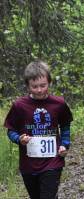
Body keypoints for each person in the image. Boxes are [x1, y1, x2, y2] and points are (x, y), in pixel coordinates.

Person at [4, 60, 73, 199]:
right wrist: (19, 139)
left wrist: (65, 144)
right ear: (28, 86)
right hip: (28, 165)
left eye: (43, 85)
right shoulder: (19, 105)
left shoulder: (58, 104)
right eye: (34, 86)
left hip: (53, 162)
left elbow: (65, 126)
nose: (40, 90)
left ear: (50, 83)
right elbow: (10, 130)